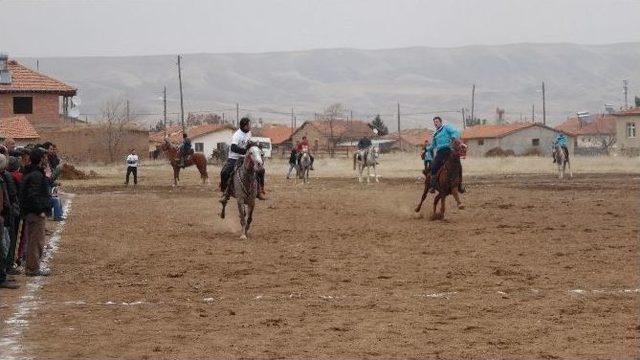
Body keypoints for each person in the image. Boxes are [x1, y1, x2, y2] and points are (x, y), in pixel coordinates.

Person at [19, 148, 51, 277]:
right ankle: (32, 268)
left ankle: (32, 267)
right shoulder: (36, 175)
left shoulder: (32, 172)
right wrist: (40, 211)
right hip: (35, 213)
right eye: (44, 157)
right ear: (40, 159)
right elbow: (33, 195)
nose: (46, 160)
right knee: (35, 241)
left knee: (34, 240)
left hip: (32, 212)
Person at [219, 117, 266, 200]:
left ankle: (259, 191)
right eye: (248, 125)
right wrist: (244, 151)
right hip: (234, 158)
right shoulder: (237, 135)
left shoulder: (249, 133)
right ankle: (225, 192)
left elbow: (249, 144)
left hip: (245, 158)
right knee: (224, 172)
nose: (250, 126)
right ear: (244, 126)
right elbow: (233, 148)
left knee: (260, 170)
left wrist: (256, 148)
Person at [428, 116, 463, 193]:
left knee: (458, 165)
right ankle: (433, 186)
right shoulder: (435, 134)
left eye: (437, 121)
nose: (435, 123)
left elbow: (455, 132)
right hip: (440, 152)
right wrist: (427, 149)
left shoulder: (446, 127)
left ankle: (460, 185)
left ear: (441, 122)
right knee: (433, 167)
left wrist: (453, 137)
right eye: (434, 122)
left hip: (449, 150)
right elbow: (433, 145)